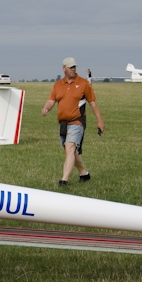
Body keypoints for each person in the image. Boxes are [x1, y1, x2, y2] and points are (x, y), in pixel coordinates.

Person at [41, 57, 104, 186]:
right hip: (63, 123)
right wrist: (46, 108)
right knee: (70, 151)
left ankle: (64, 180)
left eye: (74, 67)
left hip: (77, 121)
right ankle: (84, 174)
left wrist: (100, 121)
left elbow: (92, 103)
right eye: (70, 67)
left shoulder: (84, 84)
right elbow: (51, 100)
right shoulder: (58, 85)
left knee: (70, 147)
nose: (73, 69)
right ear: (64, 68)